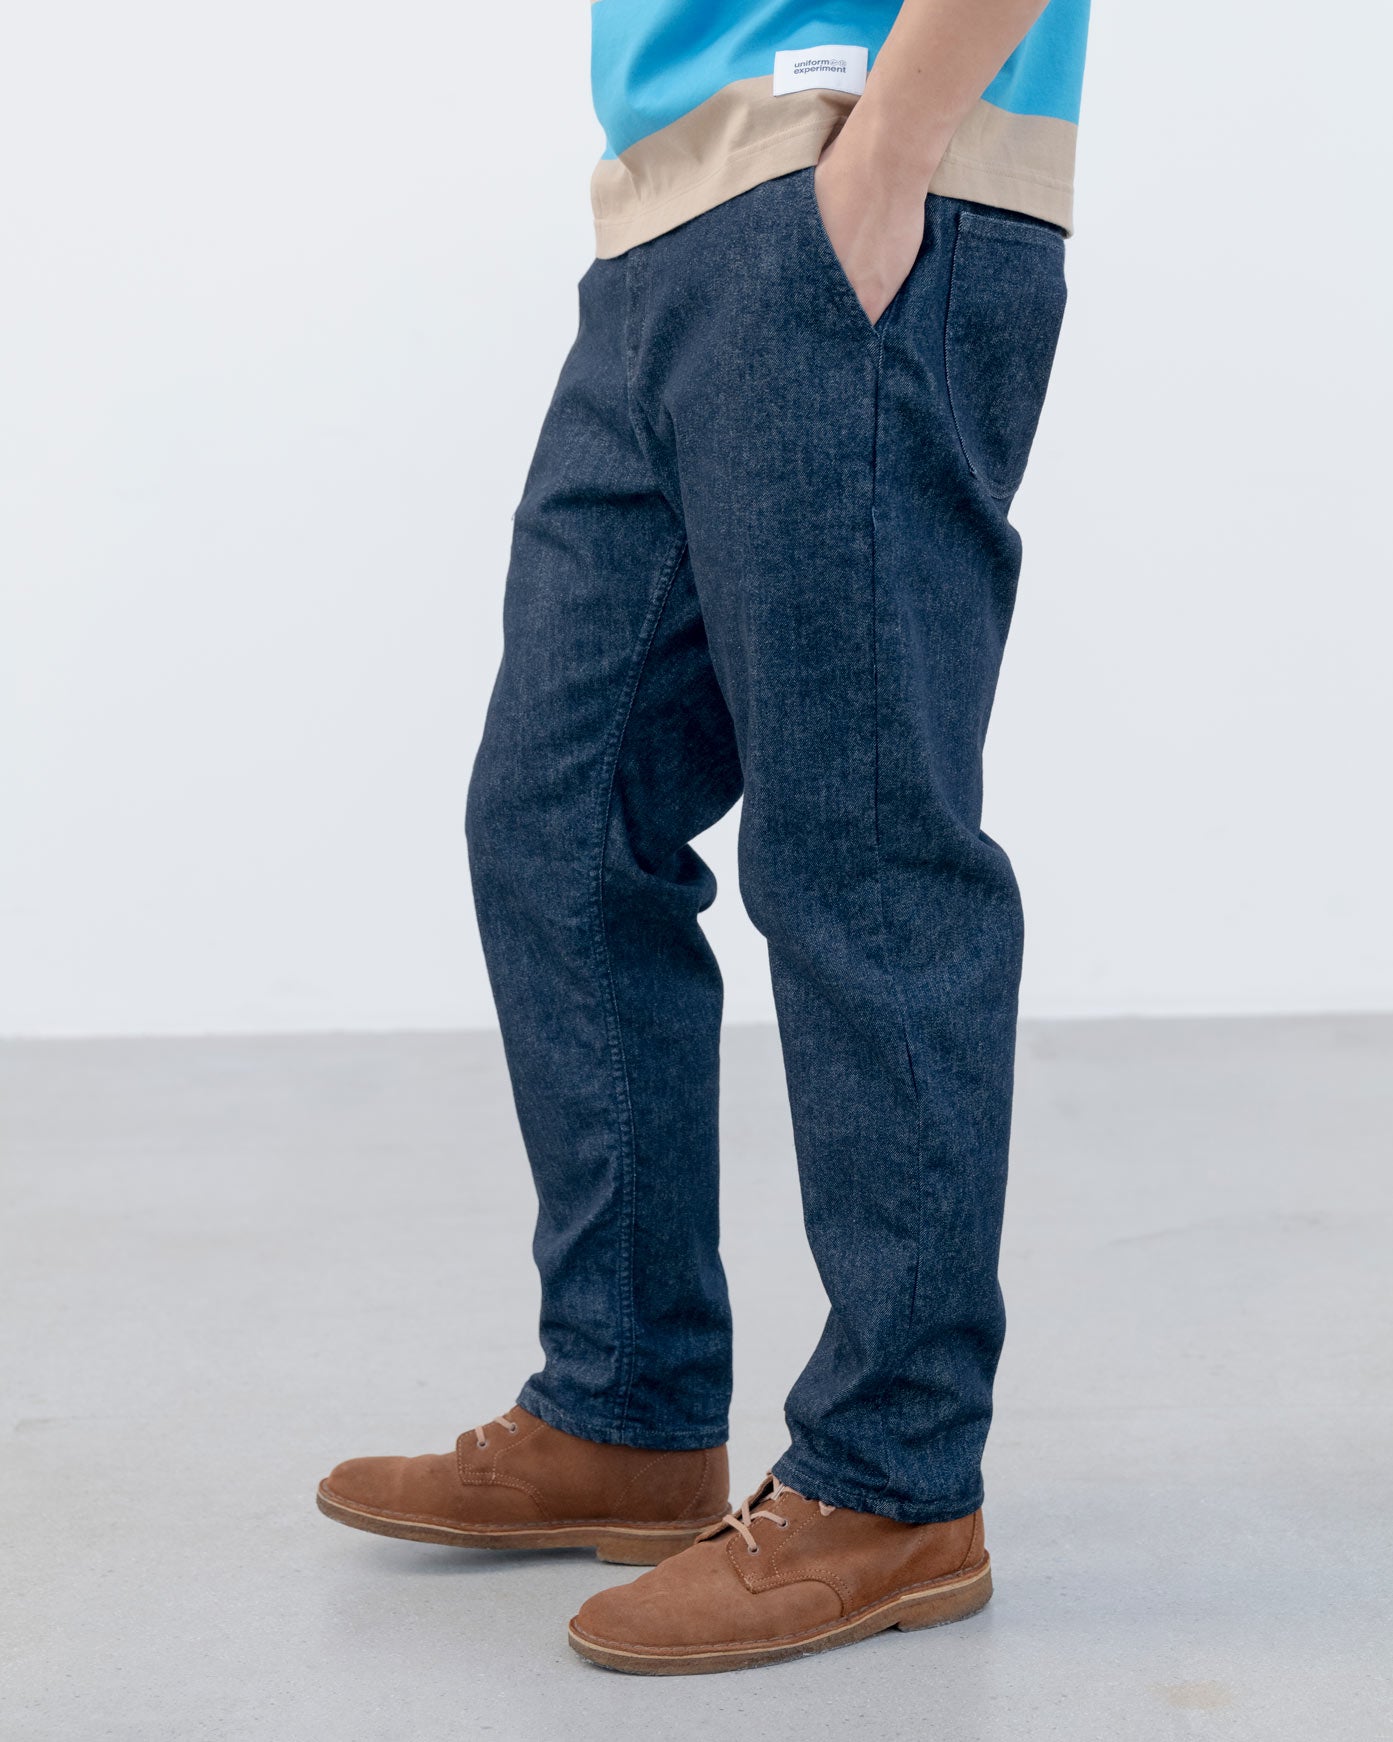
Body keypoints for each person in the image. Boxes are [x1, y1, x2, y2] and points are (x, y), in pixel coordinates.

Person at [318, 0, 1090, 1675]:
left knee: (861, 849)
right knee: (555, 818)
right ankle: (628, 1403)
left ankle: (894, 1480)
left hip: (855, 171)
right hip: (666, 219)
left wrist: (885, 154)